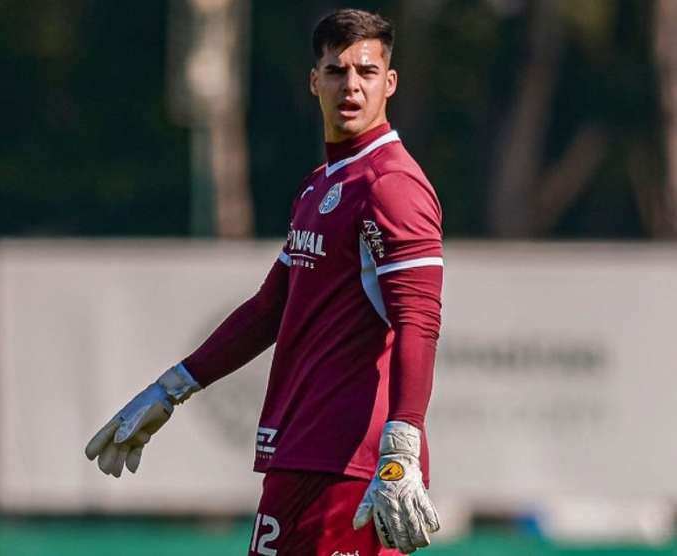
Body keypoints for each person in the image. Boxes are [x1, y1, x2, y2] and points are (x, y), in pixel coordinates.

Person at [85, 8, 443, 555]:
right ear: (314, 81)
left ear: (389, 83)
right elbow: (272, 308)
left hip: (354, 468)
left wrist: (402, 442)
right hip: (302, 457)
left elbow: (418, 319)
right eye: (336, 70)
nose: (352, 85)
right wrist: (173, 388)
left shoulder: (391, 185)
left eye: (367, 72)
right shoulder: (321, 185)